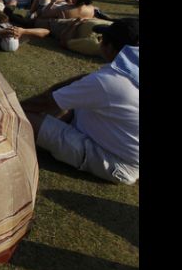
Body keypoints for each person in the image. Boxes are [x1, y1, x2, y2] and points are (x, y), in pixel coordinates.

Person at [21, 18, 139, 185]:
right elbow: (61, 93)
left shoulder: (108, 81)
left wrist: (12, 108)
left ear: (110, 48)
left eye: (102, 39)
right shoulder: (127, 74)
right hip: (120, 145)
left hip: (117, 162)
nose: (100, 43)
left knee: (22, 117)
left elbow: (47, 101)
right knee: (66, 106)